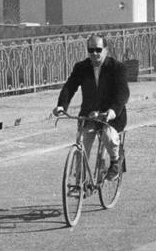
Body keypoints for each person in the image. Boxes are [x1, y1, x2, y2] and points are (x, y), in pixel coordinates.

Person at [53, 32, 130, 180]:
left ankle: (115, 161)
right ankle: (81, 183)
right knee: (82, 143)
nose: (94, 53)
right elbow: (70, 86)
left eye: (98, 50)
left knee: (108, 135)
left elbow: (123, 93)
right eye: (91, 50)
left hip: (112, 114)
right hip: (89, 114)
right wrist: (62, 105)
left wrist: (112, 111)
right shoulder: (81, 67)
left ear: (106, 50)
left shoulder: (117, 68)